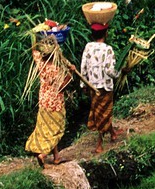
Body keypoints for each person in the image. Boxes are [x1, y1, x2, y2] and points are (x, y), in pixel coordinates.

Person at [25, 33, 73, 166]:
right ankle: (43, 154)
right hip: (55, 103)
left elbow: (34, 50)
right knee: (57, 130)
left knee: (46, 128)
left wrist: (36, 34)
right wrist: (71, 73)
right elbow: (61, 88)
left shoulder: (40, 62)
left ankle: (56, 157)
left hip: (44, 101)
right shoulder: (55, 70)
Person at [80, 22, 118, 153]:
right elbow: (109, 71)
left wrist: (83, 83)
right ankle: (99, 144)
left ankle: (113, 133)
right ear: (106, 33)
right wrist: (119, 73)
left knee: (99, 110)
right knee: (103, 113)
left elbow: (83, 66)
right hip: (105, 87)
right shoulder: (108, 49)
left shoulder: (88, 46)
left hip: (92, 86)